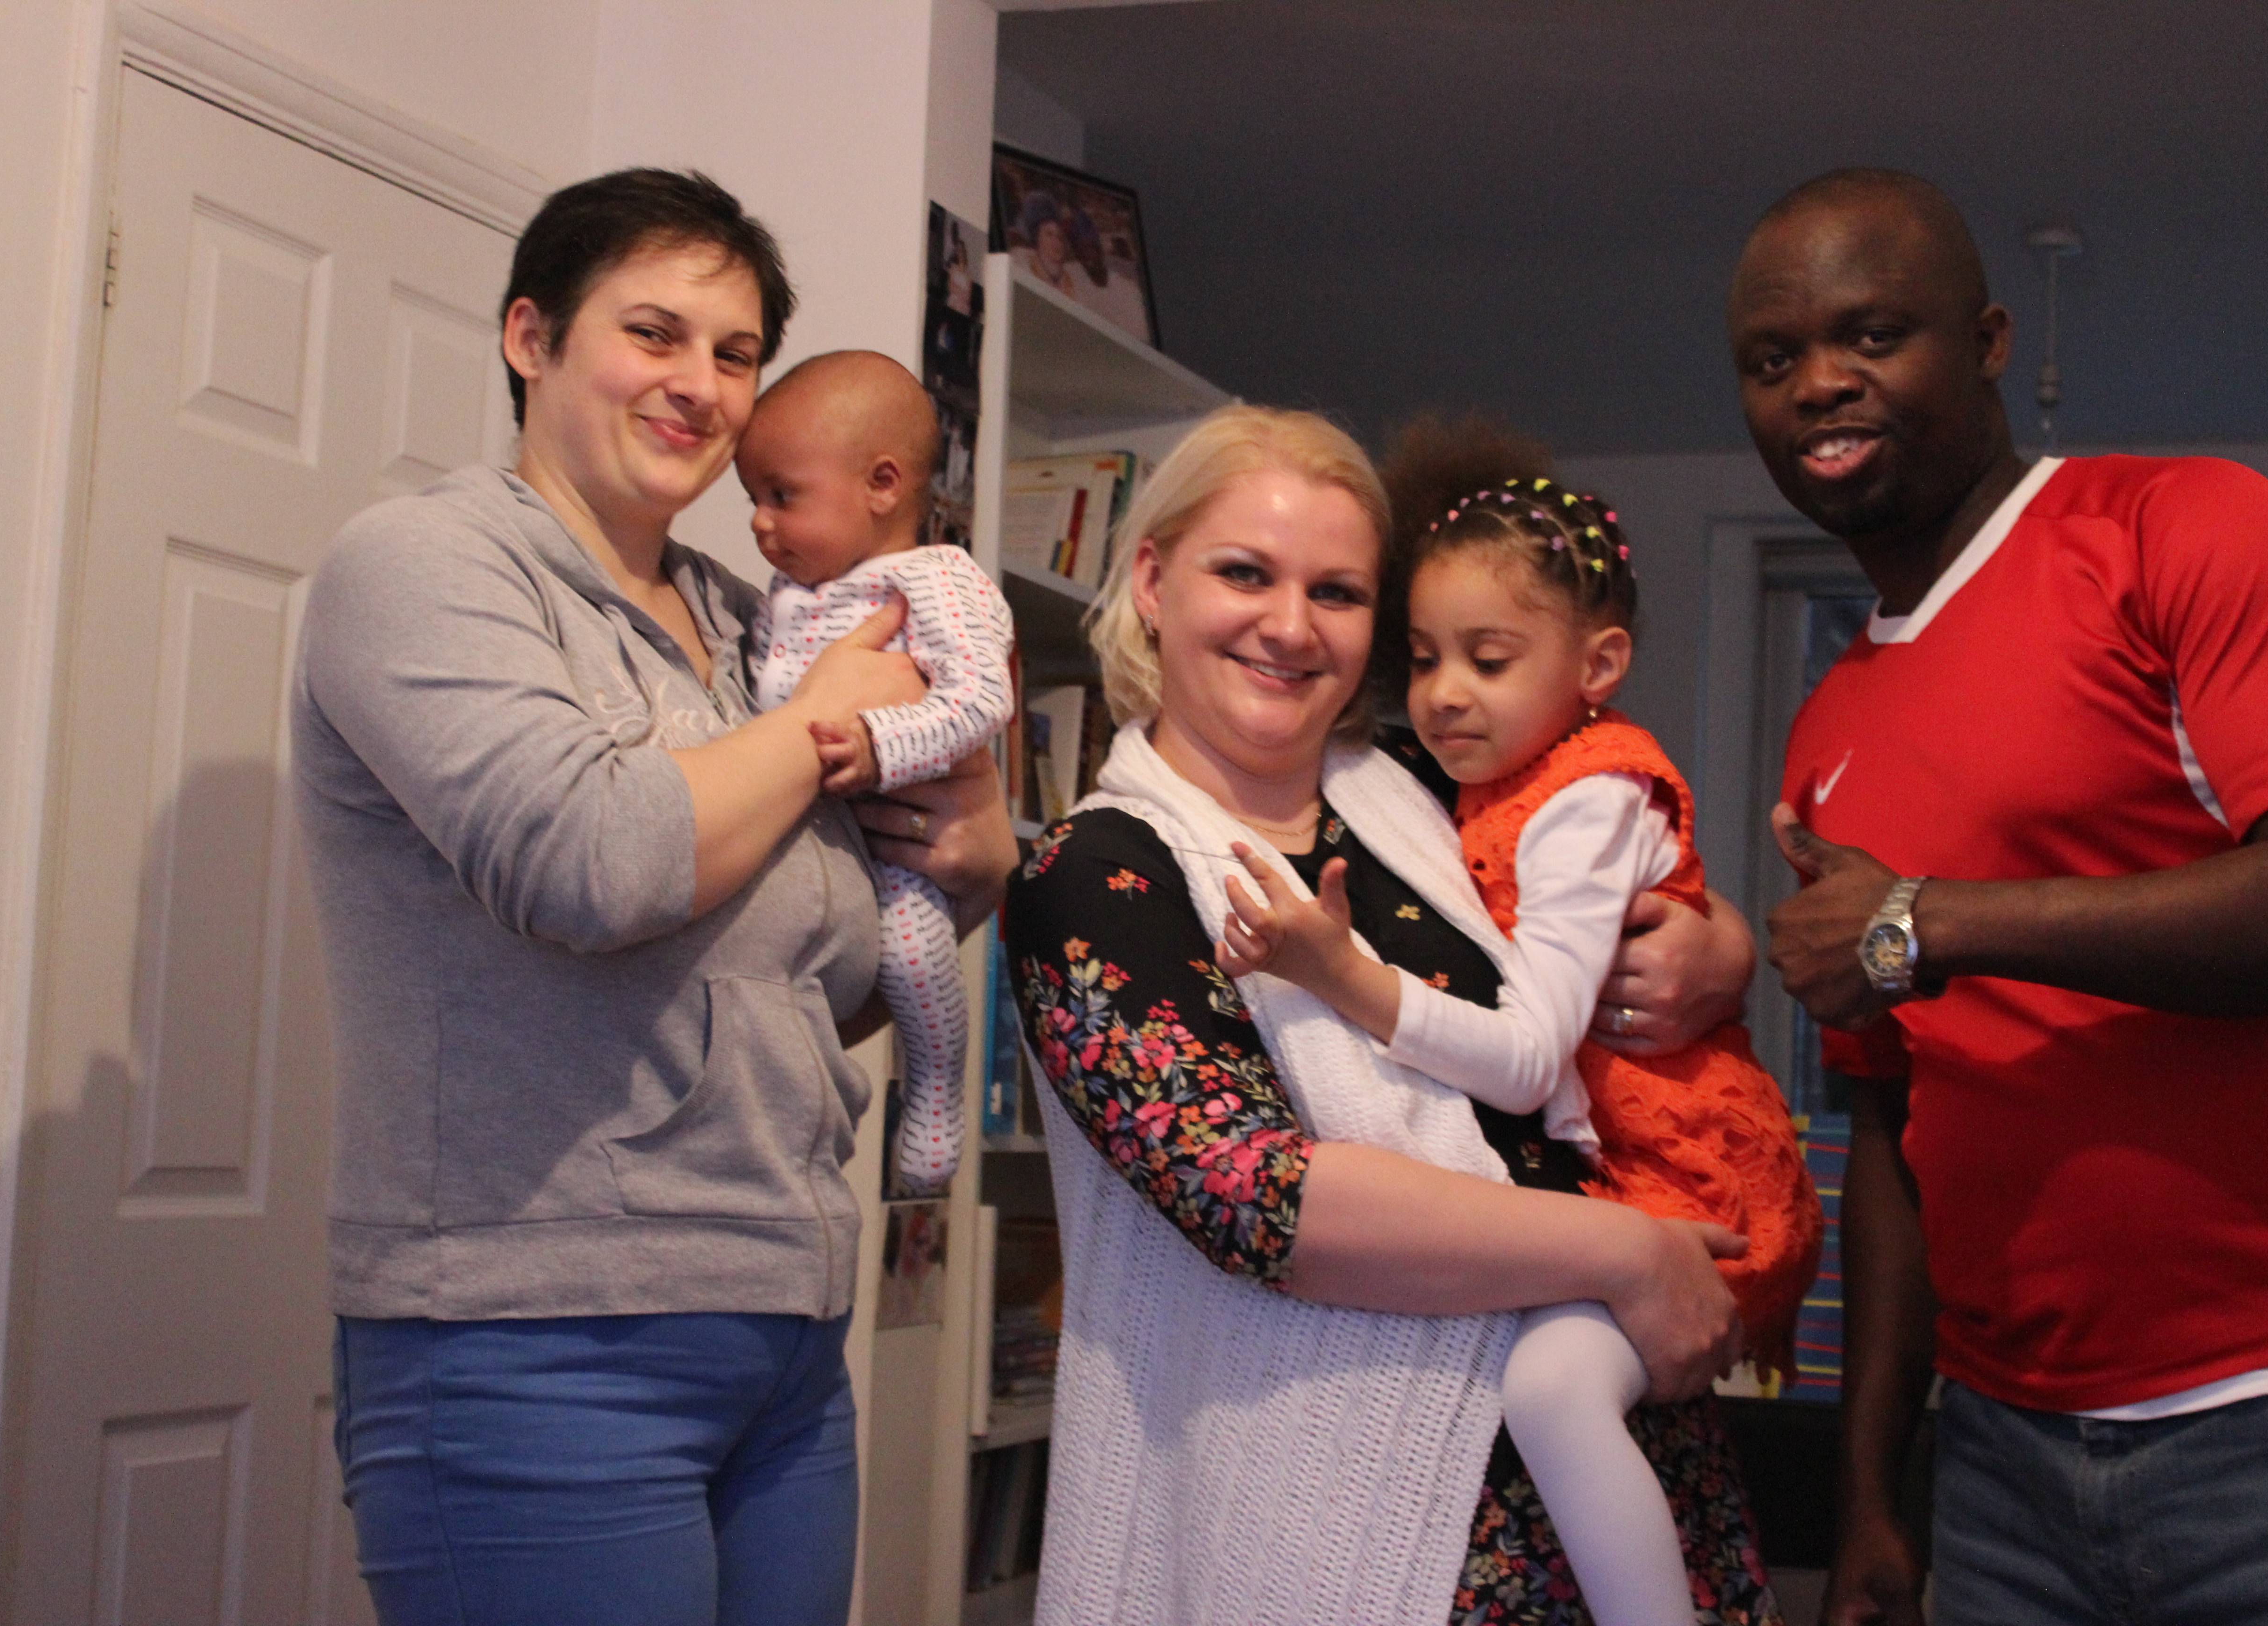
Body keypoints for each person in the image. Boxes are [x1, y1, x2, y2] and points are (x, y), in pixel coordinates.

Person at [293, 168, 1015, 1626]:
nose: (701, 383)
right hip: (533, 1334)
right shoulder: (425, 565)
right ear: (531, 338)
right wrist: (829, 723)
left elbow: (814, 985)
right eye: (654, 333)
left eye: (735, 354)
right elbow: (593, 864)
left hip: (784, 1326)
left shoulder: (758, 625)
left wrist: (975, 870)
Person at [1733, 169, 2268, 1626]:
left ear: (1986, 342)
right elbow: (1893, 1126)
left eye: (1872, 335)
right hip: (2002, 1468)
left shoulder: (2181, 527)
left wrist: (1924, 919)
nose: (1821, 383)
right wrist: (1871, 1504)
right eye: (1774, 359)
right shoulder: (1831, 724)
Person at [1005, 404, 1786, 1626]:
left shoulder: (1422, 788)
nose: (1291, 625)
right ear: (1152, 582)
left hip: (1621, 1456)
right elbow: (1259, 1196)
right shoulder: (1099, 874)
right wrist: (1626, 1251)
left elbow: (1611, 879)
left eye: (1338, 592)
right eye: (1245, 574)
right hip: (1349, 1524)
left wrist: (1719, 947)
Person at [1216, 418, 1822, 1626]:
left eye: (1488, 659)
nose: (1446, 692)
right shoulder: (1460, 777)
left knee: (1552, 1389)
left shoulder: (1572, 795)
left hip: (1687, 1182)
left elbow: (1534, 1051)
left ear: (1598, 666)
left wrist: (1343, 976)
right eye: (1424, 657)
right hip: (1621, 1184)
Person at [740, 349, 1016, 1193]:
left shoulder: (938, 580)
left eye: (782, 496)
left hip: (894, 833)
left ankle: (933, 1086)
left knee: (912, 950)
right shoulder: (781, 600)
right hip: (792, 831)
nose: (759, 523)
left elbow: (983, 698)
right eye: (753, 499)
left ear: (883, 485)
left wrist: (881, 744)